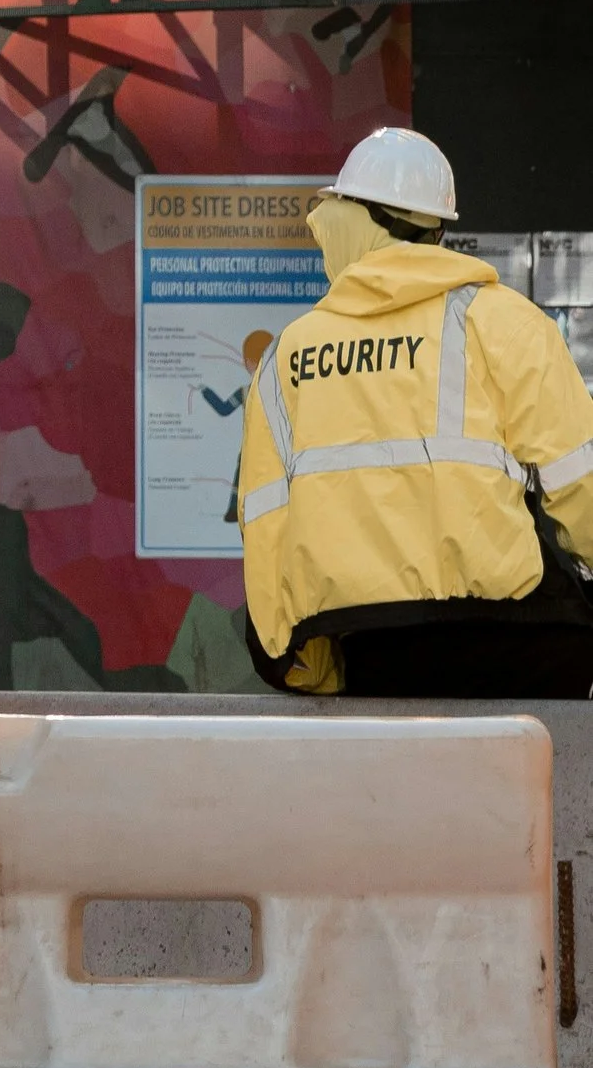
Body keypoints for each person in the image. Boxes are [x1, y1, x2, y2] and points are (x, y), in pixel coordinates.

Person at [239, 127, 593, 698]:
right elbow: (582, 484)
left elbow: (266, 523)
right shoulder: (509, 323)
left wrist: (310, 666)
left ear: (348, 221)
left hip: (372, 652)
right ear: (438, 230)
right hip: (517, 643)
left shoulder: (287, 357)